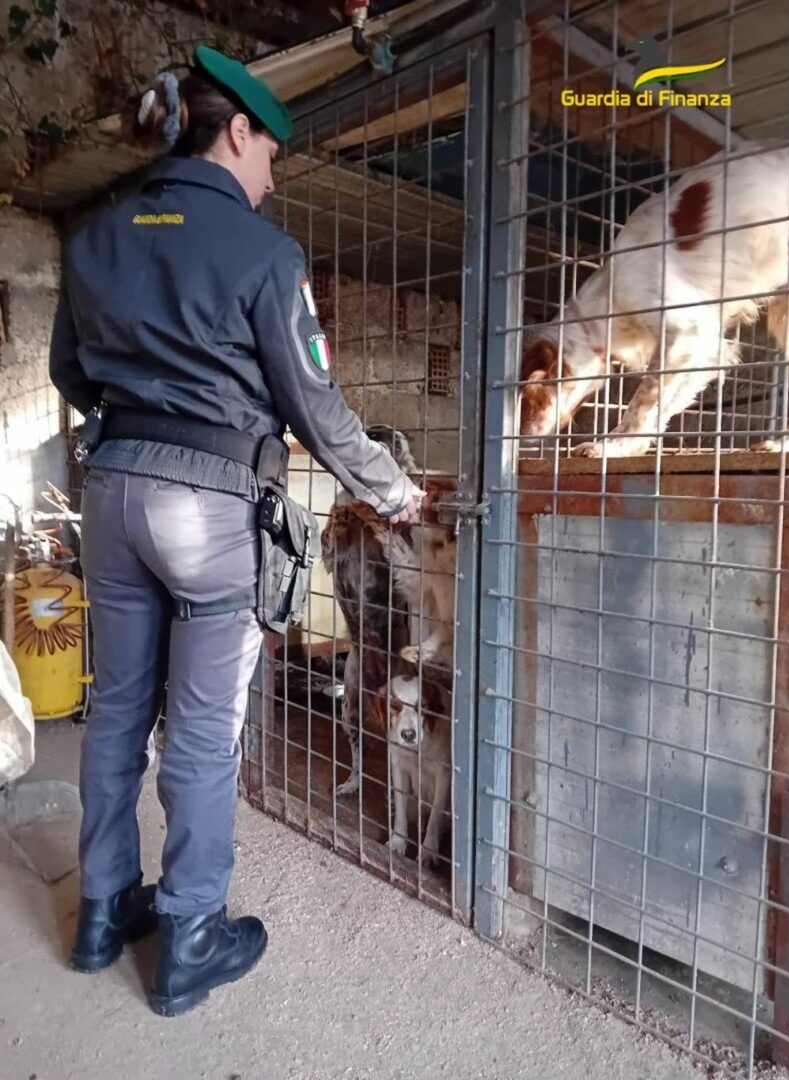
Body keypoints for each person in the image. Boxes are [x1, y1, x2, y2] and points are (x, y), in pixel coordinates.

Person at [49, 45, 422, 1017]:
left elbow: (67, 372)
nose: (270, 180)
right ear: (240, 132)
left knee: (116, 709)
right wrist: (392, 490)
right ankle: (190, 937)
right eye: (270, 158)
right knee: (205, 730)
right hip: (209, 508)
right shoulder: (264, 254)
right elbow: (314, 407)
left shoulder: (95, 236)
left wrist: (137, 424)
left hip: (111, 491)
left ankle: (102, 914)